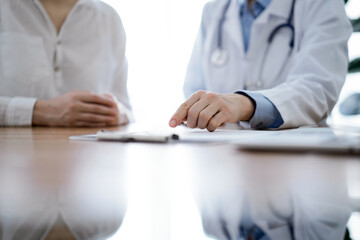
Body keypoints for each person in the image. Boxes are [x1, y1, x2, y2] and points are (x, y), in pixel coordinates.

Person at [169, 0, 352, 132]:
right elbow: (194, 89)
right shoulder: (214, 10)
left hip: (296, 159)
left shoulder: (321, 4)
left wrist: (246, 104)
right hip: (223, 156)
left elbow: (318, 89)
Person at [0, 0, 133, 127]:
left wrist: (117, 114)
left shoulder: (109, 19)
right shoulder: (5, 9)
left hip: (90, 149)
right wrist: (39, 112)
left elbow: (126, 109)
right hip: (14, 149)